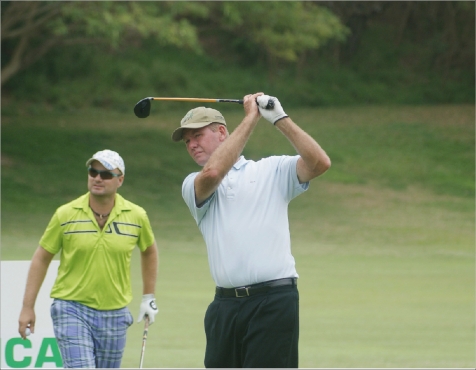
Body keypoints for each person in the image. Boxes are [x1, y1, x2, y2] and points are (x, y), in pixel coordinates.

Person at [171, 93, 331, 368]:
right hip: (225, 307)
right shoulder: (193, 183)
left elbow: (319, 163)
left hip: (274, 302)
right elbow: (212, 174)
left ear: (222, 132)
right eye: (187, 141)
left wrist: (280, 119)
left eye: (197, 136)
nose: (192, 145)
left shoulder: (272, 169)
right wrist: (251, 118)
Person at [18, 149, 159, 369]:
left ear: (120, 180)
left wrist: (148, 296)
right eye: (93, 172)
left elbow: (149, 251)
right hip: (71, 307)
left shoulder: (136, 216)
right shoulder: (65, 214)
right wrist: (28, 307)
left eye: (105, 174)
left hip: (115, 312)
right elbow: (41, 258)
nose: (97, 178)